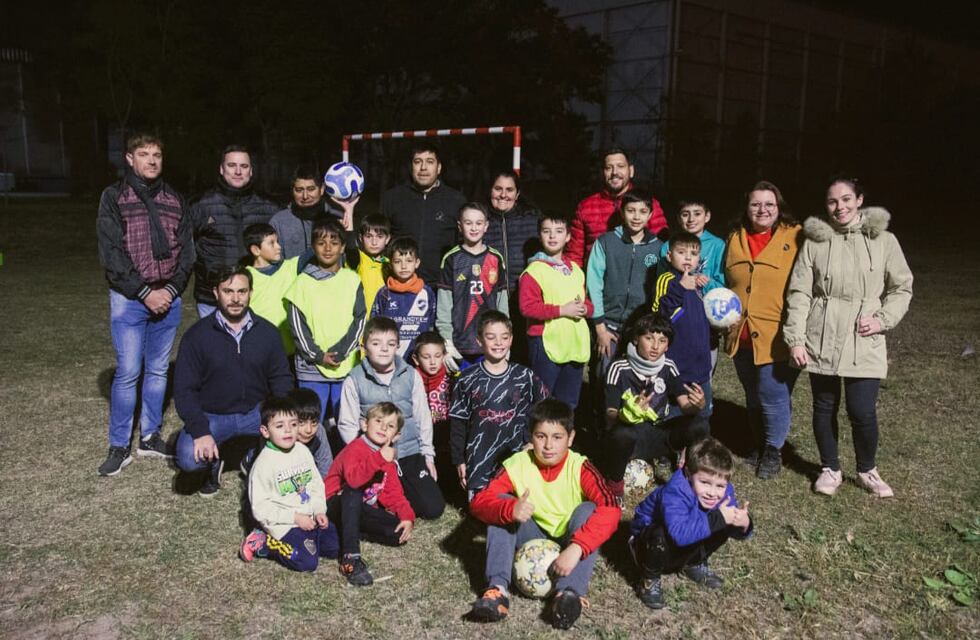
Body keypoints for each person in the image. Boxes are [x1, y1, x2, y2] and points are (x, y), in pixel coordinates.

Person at [784, 177, 912, 498]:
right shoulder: (814, 242)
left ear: (859, 200)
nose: (839, 207)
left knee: (862, 410)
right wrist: (796, 338)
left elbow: (901, 287)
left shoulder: (884, 240)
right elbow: (799, 291)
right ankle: (830, 468)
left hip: (863, 337)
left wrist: (882, 319)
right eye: (831, 201)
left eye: (846, 199)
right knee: (824, 406)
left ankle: (867, 469)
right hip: (821, 334)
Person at [467, 399, 621, 629]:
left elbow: (611, 508)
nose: (548, 445)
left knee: (589, 510)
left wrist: (577, 547)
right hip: (533, 534)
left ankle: (567, 595)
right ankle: (497, 590)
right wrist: (510, 509)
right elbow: (479, 502)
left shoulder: (581, 466)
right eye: (541, 436)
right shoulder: (517, 463)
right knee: (501, 505)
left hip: (569, 538)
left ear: (570, 438)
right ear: (531, 436)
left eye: (557, 437)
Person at [96, 132, 194, 476]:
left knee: (157, 370)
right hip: (130, 299)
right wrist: (144, 293)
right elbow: (112, 253)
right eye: (144, 154)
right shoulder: (114, 197)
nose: (152, 161)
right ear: (129, 159)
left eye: (157, 155)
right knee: (128, 373)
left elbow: (187, 252)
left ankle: (149, 435)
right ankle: (119, 445)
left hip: (167, 295)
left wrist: (170, 289)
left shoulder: (174, 198)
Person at [172, 266, 294, 496]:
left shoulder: (267, 332)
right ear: (216, 293)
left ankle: (253, 453)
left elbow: (281, 377)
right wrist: (200, 432)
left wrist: (282, 415)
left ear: (250, 292)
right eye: (228, 291)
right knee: (189, 459)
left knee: (298, 430)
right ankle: (214, 462)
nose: (236, 298)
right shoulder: (197, 336)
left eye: (242, 291)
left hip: (256, 412)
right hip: (213, 416)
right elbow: (184, 390)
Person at [723, 181, 802, 479]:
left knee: (773, 394)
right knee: (753, 394)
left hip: (776, 335)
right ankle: (759, 443)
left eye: (769, 204)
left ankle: (773, 450)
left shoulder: (795, 236)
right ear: (746, 206)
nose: (762, 210)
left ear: (779, 206)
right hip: (740, 334)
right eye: (756, 204)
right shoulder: (734, 237)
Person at [337, 318, 445, 520]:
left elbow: (422, 416)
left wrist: (428, 455)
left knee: (433, 508)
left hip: (409, 452)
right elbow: (347, 424)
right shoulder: (355, 379)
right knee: (370, 509)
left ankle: (402, 492)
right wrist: (362, 458)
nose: (384, 349)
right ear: (364, 346)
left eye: (390, 344)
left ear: (397, 345)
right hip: (375, 458)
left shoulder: (410, 375)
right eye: (376, 343)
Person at [630, 437, 752, 609]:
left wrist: (744, 523)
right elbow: (679, 534)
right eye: (704, 482)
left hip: (683, 540)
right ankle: (649, 579)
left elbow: (729, 525)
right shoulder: (675, 491)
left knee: (722, 520)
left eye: (720, 485)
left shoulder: (724, 494)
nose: (712, 492)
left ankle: (693, 562)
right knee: (660, 534)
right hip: (648, 545)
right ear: (688, 473)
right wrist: (718, 518)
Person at [601, 314, 709, 498]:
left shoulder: (668, 366)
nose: (655, 346)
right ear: (635, 339)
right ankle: (615, 486)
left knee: (700, 424)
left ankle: (690, 478)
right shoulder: (619, 367)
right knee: (623, 433)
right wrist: (625, 415)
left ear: (667, 345)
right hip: (630, 437)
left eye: (662, 341)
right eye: (649, 338)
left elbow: (684, 405)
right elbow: (609, 414)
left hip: (659, 433)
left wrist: (698, 405)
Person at [449, 311, 550, 500]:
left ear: (511, 340)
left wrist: (532, 441)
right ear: (479, 340)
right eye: (491, 337)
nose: (498, 343)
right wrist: (459, 460)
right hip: (480, 461)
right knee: (484, 511)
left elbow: (546, 410)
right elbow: (458, 422)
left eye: (504, 337)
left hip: (518, 457)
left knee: (521, 510)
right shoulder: (466, 379)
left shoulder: (525, 376)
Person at [240, 395, 339, 572]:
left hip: (309, 517)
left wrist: (319, 511)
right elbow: (260, 508)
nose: (288, 431)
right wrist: (295, 518)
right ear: (265, 431)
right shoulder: (263, 464)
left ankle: (307, 540)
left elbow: (315, 484)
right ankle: (265, 542)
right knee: (307, 562)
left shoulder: (302, 451)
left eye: (293, 424)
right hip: (284, 524)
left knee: (335, 548)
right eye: (280, 426)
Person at [324, 402, 416, 586]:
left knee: (397, 532)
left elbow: (394, 493)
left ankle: (351, 531)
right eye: (378, 421)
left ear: (396, 435)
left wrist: (407, 517)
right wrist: (379, 458)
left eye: (390, 426)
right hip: (335, 503)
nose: (383, 427)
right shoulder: (356, 448)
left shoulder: (387, 458)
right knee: (352, 492)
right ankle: (351, 558)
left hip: (358, 510)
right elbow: (353, 481)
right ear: (364, 424)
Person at [285, 217, 365, 426]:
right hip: (312, 368)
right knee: (309, 424)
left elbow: (360, 319)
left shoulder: (352, 280)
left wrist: (341, 351)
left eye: (334, 243)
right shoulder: (301, 283)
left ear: (342, 247)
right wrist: (318, 355)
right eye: (321, 243)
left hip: (345, 364)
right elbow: (297, 325)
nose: (328, 249)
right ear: (313, 247)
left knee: (346, 423)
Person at [190, 145, 278, 318]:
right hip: (211, 299)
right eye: (232, 165)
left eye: (244, 166)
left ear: (251, 171)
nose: (238, 171)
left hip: (256, 297)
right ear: (222, 169)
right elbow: (184, 250)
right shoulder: (200, 205)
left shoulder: (269, 208)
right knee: (215, 346)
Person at [587, 191, 665, 379]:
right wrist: (600, 328)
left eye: (642, 211)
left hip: (641, 327)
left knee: (636, 378)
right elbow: (594, 283)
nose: (636, 216)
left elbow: (662, 288)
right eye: (631, 210)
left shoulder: (659, 247)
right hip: (608, 325)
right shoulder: (606, 242)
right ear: (622, 212)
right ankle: (600, 409)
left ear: (650, 215)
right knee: (603, 374)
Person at [518, 213, 592, 408]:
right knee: (542, 400)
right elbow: (527, 307)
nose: (552, 236)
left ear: (568, 236)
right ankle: (536, 438)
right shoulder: (534, 271)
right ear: (540, 235)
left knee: (568, 402)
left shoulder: (576, 269)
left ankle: (564, 438)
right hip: (545, 342)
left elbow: (587, 302)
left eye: (559, 231)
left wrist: (586, 308)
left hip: (573, 342)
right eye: (546, 231)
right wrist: (562, 310)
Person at [436, 202, 509, 371]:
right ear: (460, 226)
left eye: (478, 223)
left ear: (486, 226)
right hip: (460, 344)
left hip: (491, 343)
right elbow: (444, 305)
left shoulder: (495, 258)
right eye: (468, 223)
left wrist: (505, 337)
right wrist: (447, 341)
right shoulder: (451, 259)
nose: (474, 228)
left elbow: (502, 302)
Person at [381, 142, 467, 283]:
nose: (423, 168)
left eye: (430, 162)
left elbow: (463, 245)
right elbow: (380, 241)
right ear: (411, 167)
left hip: (441, 286)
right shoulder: (393, 198)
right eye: (418, 162)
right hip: (399, 284)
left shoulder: (456, 200)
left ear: (439, 168)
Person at [567, 148, 667, 268]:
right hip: (596, 280)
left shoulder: (648, 204)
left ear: (631, 171)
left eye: (620, 166)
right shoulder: (586, 207)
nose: (615, 172)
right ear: (602, 172)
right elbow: (574, 255)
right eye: (609, 168)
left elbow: (664, 247)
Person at [659, 197, 727, 370]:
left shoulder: (718, 245)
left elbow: (722, 283)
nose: (691, 219)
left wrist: (705, 282)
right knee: (673, 370)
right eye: (685, 214)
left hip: (705, 318)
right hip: (677, 317)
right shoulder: (667, 246)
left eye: (697, 214)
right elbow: (662, 281)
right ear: (678, 218)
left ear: (707, 216)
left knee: (704, 371)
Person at [651, 231, 713, 417]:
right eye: (681, 252)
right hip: (677, 366)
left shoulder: (697, 284)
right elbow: (658, 316)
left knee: (702, 416)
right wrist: (680, 288)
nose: (688, 257)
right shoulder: (667, 280)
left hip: (700, 368)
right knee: (675, 418)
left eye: (693, 254)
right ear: (669, 256)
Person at [484, 170, 541, 362]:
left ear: (517, 194)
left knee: (524, 359)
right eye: (498, 189)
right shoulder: (480, 220)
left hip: (523, 303)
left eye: (509, 190)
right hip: (491, 303)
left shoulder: (532, 220)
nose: (503, 195)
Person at [269, 166, 357, 259]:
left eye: (311, 189)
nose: (305, 196)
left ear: (322, 189)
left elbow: (352, 261)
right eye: (299, 190)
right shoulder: (279, 222)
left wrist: (348, 232)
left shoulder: (338, 218)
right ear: (292, 191)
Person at [371, 236, 436, 357]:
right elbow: (375, 327)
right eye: (397, 261)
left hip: (420, 359)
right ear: (390, 264)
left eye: (409, 261)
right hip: (390, 358)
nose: (403, 266)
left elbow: (431, 325)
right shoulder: (384, 294)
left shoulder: (427, 293)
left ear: (417, 263)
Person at [242, 223, 301, 354]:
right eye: (272, 243)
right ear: (256, 250)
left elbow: (319, 249)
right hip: (260, 352)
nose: (279, 247)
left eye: (277, 241)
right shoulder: (244, 278)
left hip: (291, 350)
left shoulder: (291, 267)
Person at [356, 214, 390, 315]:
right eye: (369, 236)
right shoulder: (358, 258)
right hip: (361, 320)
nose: (374, 242)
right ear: (361, 238)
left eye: (379, 237)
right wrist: (349, 212)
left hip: (384, 322)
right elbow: (350, 247)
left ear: (387, 239)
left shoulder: (391, 263)